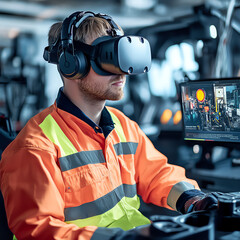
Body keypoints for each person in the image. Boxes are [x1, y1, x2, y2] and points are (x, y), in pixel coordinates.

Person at [0, 11, 218, 240]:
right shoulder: (36, 147)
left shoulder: (123, 125)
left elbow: (157, 174)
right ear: (72, 64)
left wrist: (192, 199)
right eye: (107, 57)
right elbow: (38, 230)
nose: (122, 70)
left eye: (123, 56)